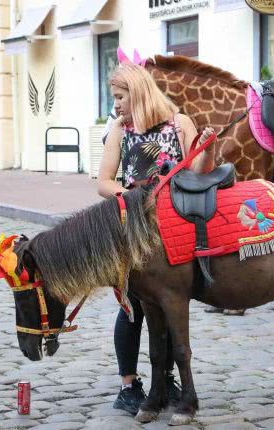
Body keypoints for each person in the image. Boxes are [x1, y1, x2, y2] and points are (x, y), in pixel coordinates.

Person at [97, 62, 215, 415]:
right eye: (114, 97)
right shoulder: (121, 129)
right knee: (133, 304)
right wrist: (137, 196)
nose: (116, 104)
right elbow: (104, 182)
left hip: (176, 224)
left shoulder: (180, 123)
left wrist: (206, 149)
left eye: (120, 97)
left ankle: (165, 380)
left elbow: (199, 173)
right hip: (137, 222)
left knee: (170, 304)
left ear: (138, 91)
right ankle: (129, 384)